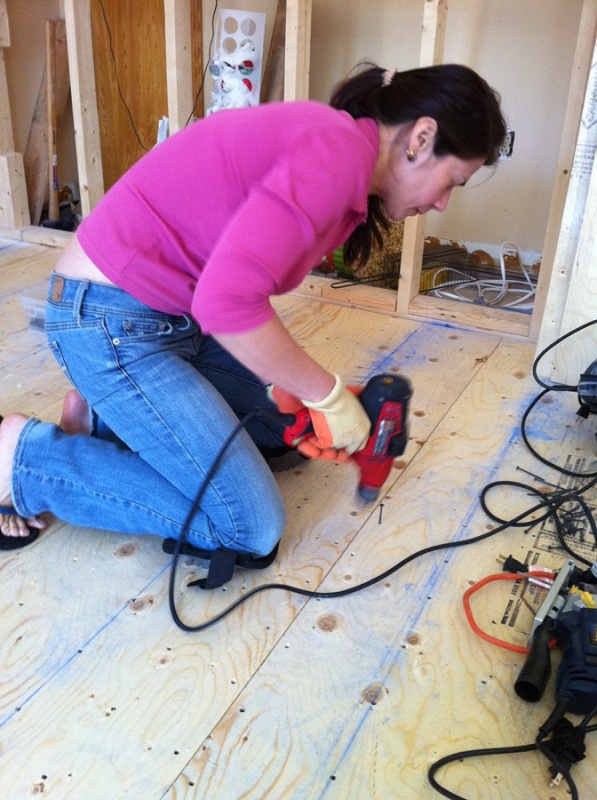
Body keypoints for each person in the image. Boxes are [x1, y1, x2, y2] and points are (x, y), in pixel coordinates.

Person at [0, 62, 507, 568]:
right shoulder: (336, 156)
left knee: (282, 428)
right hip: (108, 324)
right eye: (451, 183)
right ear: (421, 137)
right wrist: (323, 392)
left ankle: (104, 424)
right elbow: (228, 303)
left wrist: (301, 392)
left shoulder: (342, 153)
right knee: (249, 526)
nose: (441, 203)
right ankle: (26, 463)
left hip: (168, 319)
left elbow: (228, 296)